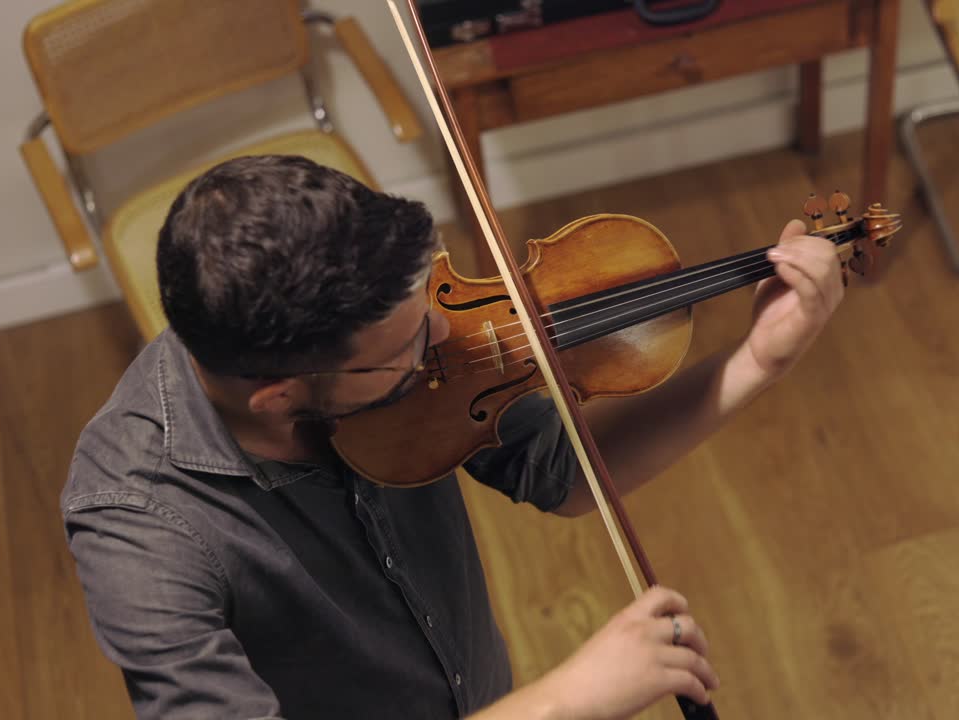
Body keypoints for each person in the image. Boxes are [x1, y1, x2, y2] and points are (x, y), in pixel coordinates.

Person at [61, 154, 844, 719]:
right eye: (405, 347)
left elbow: (563, 473)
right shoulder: (140, 527)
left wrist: (753, 363)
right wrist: (568, 700)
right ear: (280, 395)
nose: (446, 333)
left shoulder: (408, 346)